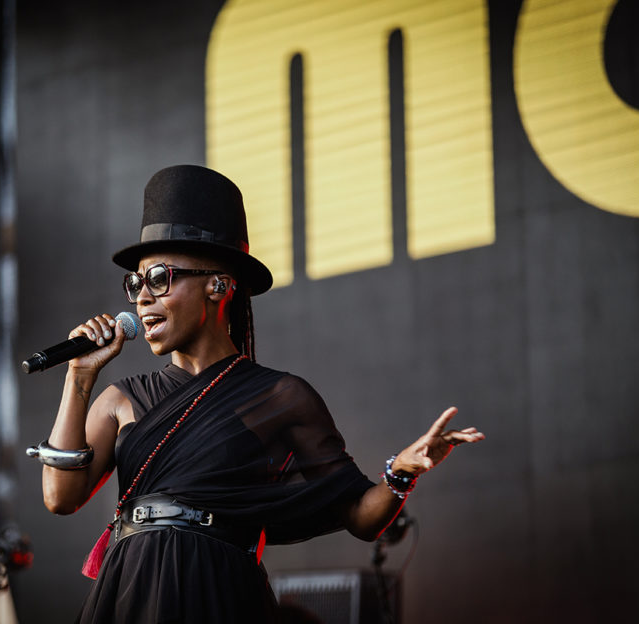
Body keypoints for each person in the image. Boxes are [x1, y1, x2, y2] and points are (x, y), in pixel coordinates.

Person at [34, 165, 484, 623]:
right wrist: (79, 377)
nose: (141, 298)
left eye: (160, 279)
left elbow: (360, 515)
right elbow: (59, 498)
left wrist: (401, 472)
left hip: (220, 596)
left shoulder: (281, 397)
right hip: (130, 595)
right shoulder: (120, 399)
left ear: (218, 285)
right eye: (136, 283)